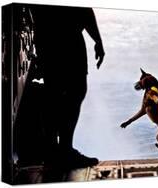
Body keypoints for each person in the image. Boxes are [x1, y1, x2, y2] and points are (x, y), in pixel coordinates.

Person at [32, 5, 105, 169]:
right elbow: (84, 10)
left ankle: (53, 152)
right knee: (75, 91)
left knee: (55, 92)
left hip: (46, 36)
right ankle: (64, 150)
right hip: (69, 37)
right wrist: (98, 40)